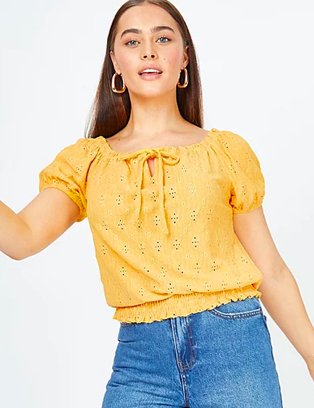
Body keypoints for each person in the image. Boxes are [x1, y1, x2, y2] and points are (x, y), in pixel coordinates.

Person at [1, 0, 313, 406]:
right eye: (132, 41)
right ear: (115, 62)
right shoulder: (87, 163)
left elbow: (270, 269)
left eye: (162, 38)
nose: (148, 50)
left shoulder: (224, 152)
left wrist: (311, 354)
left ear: (184, 57)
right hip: (139, 358)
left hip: (234, 348)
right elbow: (21, 239)